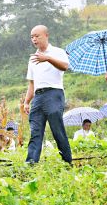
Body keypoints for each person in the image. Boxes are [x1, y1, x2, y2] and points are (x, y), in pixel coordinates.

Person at [23, 25, 73, 165]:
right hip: (38, 97)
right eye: (32, 37)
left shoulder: (57, 52)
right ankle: (31, 163)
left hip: (54, 94)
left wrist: (48, 58)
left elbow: (65, 66)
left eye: (37, 36)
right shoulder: (33, 58)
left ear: (46, 35)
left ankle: (67, 161)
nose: (34, 39)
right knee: (35, 131)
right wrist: (27, 102)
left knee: (57, 130)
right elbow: (32, 84)